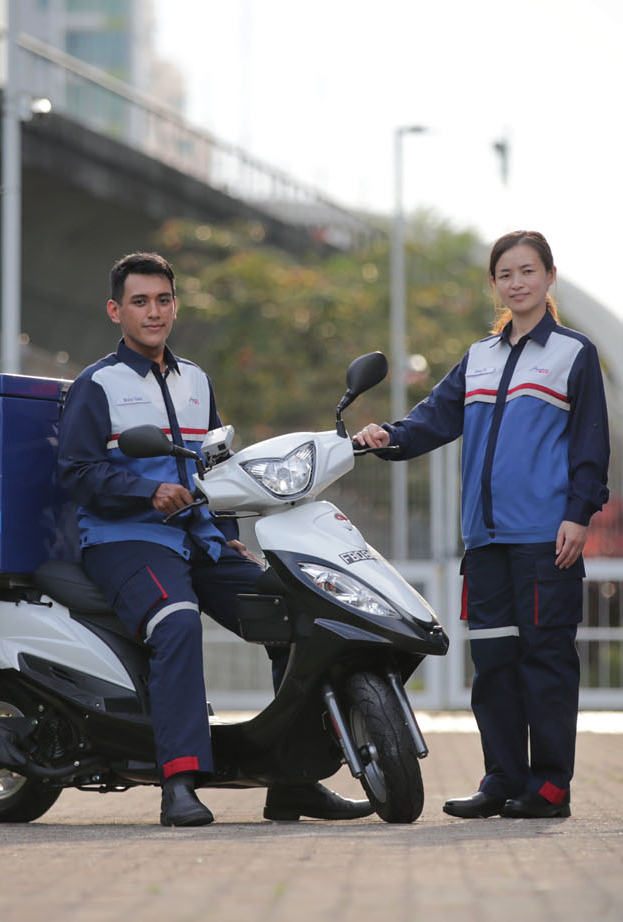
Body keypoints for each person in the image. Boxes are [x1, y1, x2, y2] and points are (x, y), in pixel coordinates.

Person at [56, 252, 372, 827]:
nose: (154, 312)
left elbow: (214, 468)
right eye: (139, 301)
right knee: (176, 621)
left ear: (176, 304)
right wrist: (144, 494)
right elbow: (76, 473)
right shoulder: (97, 385)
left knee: (295, 612)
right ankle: (179, 781)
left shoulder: (197, 380)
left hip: (199, 541)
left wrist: (227, 537)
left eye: (163, 299)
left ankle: (293, 782)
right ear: (115, 310)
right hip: (126, 542)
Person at [354, 230, 610, 819]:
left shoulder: (574, 353)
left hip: (547, 540)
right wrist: (387, 436)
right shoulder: (480, 357)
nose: (517, 283)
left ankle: (548, 787)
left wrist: (578, 514)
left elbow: (590, 445)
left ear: (549, 277)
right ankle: (501, 779)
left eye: (527, 271)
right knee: (493, 665)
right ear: (494, 285)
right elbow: (432, 420)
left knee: (545, 663)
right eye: (505, 274)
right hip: (486, 542)